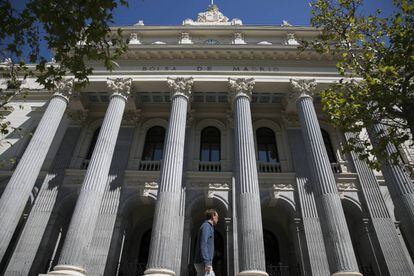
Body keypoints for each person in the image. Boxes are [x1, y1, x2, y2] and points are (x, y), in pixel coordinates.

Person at [194, 209, 219, 276]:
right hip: (203, 263)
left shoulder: (208, 227)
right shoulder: (206, 226)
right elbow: (203, 244)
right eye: (217, 217)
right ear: (213, 216)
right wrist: (207, 262)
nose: (217, 219)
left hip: (204, 262)